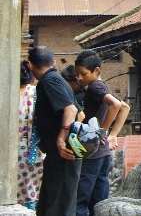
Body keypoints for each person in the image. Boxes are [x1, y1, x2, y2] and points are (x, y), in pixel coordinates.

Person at [75, 49, 130, 216]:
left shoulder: (95, 87)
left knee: (80, 202)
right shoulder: (102, 86)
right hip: (104, 154)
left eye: (83, 73)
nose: (79, 78)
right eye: (77, 73)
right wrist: (112, 135)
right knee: (99, 203)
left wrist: (102, 131)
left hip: (92, 153)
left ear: (96, 70)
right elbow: (125, 107)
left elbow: (116, 105)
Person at [29, 45, 81, 216]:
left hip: (62, 152)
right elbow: (81, 115)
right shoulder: (59, 80)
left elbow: (71, 110)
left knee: (58, 206)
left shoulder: (50, 81)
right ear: (54, 62)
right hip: (64, 153)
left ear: (31, 65)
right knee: (53, 204)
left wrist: (61, 140)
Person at [18, 59, 45, 210]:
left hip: (11, 151)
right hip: (35, 151)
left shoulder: (6, 94)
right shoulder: (37, 93)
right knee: (33, 190)